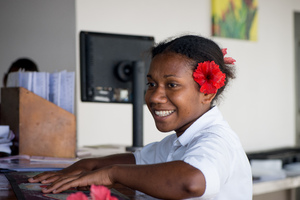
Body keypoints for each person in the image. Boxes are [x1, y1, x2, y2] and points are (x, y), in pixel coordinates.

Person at [28, 35, 252, 199]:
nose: (154, 96)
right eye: (151, 84)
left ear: (207, 92)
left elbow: (191, 182)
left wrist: (111, 174)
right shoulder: (175, 144)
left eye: (172, 85)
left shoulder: (217, 141)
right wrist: (86, 165)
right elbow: (136, 162)